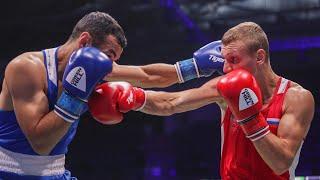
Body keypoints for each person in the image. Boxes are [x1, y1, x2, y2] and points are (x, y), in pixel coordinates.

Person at [0, 11, 223, 179]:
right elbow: (41, 143)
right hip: (9, 172)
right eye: (108, 55)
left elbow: (147, 74)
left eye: (114, 60)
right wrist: (76, 95)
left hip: (56, 171)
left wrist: (195, 67)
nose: (110, 66)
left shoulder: (97, 66)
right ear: (85, 42)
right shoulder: (26, 68)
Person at [89, 22, 315, 179]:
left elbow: (281, 163)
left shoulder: (297, 98)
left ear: (259, 57)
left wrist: (250, 118)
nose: (226, 68)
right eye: (224, 60)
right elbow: (172, 102)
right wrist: (135, 97)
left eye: (234, 60)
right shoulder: (224, 88)